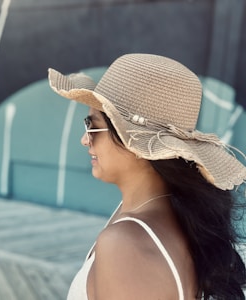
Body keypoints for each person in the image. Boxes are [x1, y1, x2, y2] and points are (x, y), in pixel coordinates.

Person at [48, 53, 246, 299]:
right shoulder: (170, 216)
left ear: (137, 143)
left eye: (92, 125)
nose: (85, 139)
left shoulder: (124, 243)